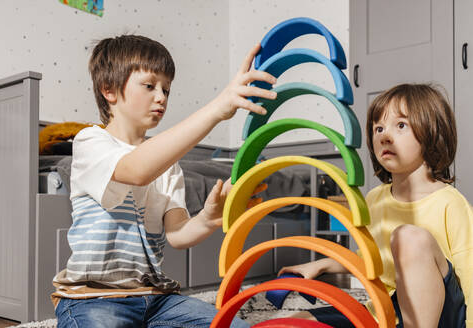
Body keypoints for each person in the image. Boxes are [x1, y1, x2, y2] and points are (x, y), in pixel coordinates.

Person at [51, 34, 277, 328]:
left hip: (157, 298)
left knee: (234, 326)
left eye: (166, 90)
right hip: (93, 298)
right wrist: (216, 109)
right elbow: (137, 170)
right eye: (149, 86)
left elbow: (178, 234)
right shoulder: (91, 141)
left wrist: (208, 219)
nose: (161, 97)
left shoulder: (168, 166)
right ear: (109, 90)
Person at [278, 84, 473, 328]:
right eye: (378, 128)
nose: (384, 135)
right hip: (387, 310)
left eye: (401, 125)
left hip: (443, 316)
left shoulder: (450, 203)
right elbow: (370, 259)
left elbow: (470, 274)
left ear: (432, 133)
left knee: (407, 237)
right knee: (292, 323)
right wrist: (320, 264)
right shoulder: (374, 199)